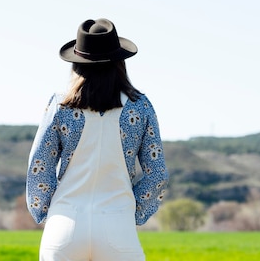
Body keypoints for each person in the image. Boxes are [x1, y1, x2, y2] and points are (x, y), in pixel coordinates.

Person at [26, 18, 169, 261]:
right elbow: (157, 175)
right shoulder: (140, 106)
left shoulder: (60, 104)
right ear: (120, 62)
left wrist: (47, 213)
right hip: (117, 223)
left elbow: (39, 168)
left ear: (77, 64)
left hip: (64, 224)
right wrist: (133, 214)